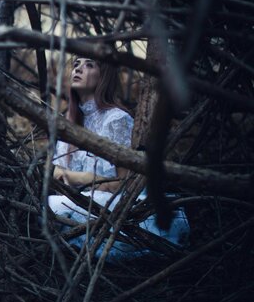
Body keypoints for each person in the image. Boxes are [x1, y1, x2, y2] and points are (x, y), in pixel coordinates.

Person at [48, 57, 189, 260]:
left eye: (89, 65)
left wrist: (79, 178)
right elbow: (55, 174)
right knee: (48, 205)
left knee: (55, 207)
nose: (78, 68)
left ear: (104, 76)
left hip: (114, 202)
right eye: (76, 64)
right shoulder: (68, 123)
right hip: (79, 199)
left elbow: (124, 181)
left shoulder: (116, 119)